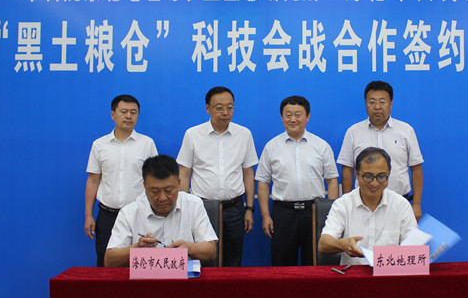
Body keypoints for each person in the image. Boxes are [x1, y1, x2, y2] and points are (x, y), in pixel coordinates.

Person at [177, 86, 258, 267]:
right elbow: (184, 172)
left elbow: (248, 172)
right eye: (219, 108)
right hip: (202, 207)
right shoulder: (193, 134)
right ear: (208, 108)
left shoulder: (244, 134)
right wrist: (184, 207)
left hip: (234, 207)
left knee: (233, 258)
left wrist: (249, 208)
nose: (225, 113)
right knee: (203, 257)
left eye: (230, 107)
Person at [256, 95, 339, 266]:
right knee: (282, 266)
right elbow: (263, 182)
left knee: (315, 264)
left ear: (308, 116)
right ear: (282, 117)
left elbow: (332, 181)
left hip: (314, 211)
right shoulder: (271, 147)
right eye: (288, 115)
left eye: (298, 115)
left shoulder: (321, 146)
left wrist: (330, 213)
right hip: (283, 213)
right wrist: (265, 215)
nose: (293, 119)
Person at [104, 155, 217, 266]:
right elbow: (109, 260)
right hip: (145, 277)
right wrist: (137, 248)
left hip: (186, 276)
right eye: (155, 192)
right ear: (144, 186)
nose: (162, 198)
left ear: (178, 183)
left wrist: (189, 248)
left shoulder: (193, 204)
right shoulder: (129, 213)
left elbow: (211, 251)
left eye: (169, 190)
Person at [85, 94, 157, 267]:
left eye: (133, 112)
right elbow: (93, 180)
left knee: (140, 264)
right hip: (108, 215)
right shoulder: (99, 145)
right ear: (112, 114)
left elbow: (154, 180)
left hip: (138, 215)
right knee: (105, 262)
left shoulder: (147, 143)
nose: (129, 116)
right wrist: (88, 215)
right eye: (124, 112)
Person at [337, 80, 424, 221]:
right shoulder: (353, 132)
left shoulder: (406, 131)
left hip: (399, 203)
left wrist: (416, 204)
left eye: (382, 102)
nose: (377, 107)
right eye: (372, 102)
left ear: (391, 104)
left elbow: (416, 168)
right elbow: (347, 170)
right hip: (363, 205)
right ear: (365, 104)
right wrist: (347, 204)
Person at [319, 147, 417, 265]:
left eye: (381, 176)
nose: (374, 183)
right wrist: (342, 244)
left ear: (389, 174)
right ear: (357, 174)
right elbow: (323, 244)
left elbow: (414, 248)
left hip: (389, 272)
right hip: (353, 273)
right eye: (368, 176)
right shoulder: (343, 204)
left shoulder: (401, 205)